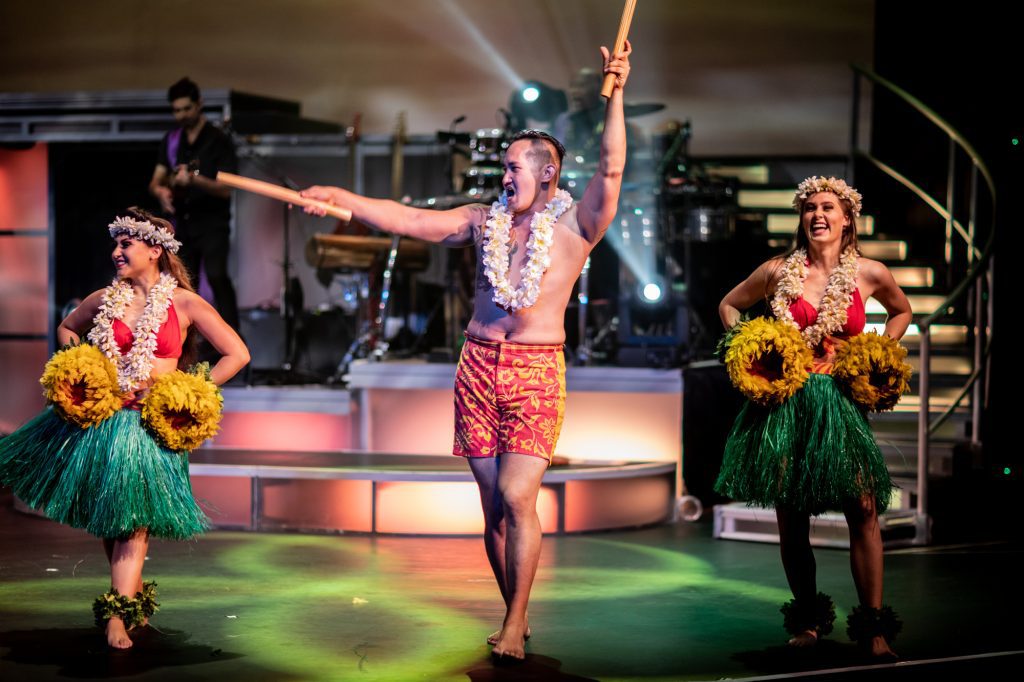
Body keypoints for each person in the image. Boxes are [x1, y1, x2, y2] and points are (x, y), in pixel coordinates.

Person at [301, 43, 632, 661]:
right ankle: (514, 607)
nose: (504, 177)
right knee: (493, 512)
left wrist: (619, 91)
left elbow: (611, 170)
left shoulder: (575, 229)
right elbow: (408, 221)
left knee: (517, 496)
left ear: (547, 173)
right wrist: (342, 200)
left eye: (514, 168)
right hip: (477, 367)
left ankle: (515, 621)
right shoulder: (483, 221)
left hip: (536, 371)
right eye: (504, 168)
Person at [0, 208, 249, 649]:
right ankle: (128, 604)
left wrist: (188, 389)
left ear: (155, 250)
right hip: (105, 422)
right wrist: (81, 364)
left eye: (126, 243)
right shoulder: (104, 298)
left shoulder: (185, 303)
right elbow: (66, 328)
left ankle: (117, 615)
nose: (116, 251)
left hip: (150, 427)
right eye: (115, 243)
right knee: (114, 519)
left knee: (133, 523)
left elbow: (237, 353)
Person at [715, 177, 913, 658]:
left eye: (827, 207)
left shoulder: (869, 272)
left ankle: (873, 628)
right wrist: (756, 352)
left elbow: (901, 311)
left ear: (848, 218)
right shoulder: (777, 270)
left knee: (863, 510)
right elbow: (729, 306)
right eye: (808, 207)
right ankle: (808, 621)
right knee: (792, 516)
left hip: (840, 402)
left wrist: (875, 351)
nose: (817, 214)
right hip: (787, 405)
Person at [149, 76, 241, 332]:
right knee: (182, 284)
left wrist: (194, 180)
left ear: (199, 104)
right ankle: (186, 342)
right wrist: (161, 192)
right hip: (182, 224)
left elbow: (226, 190)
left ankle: (232, 339)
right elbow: (155, 181)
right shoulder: (171, 140)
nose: (182, 115)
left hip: (212, 223)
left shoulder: (218, 140)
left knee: (217, 277)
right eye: (177, 110)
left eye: (186, 109)